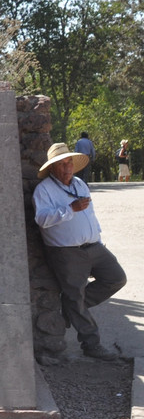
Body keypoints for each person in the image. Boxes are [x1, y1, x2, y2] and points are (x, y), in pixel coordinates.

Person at [33, 142, 127, 360]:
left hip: (94, 247)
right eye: (62, 164)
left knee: (116, 278)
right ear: (52, 167)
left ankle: (71, 306)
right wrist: (69, 209)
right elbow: (42, 219)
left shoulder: (79, 184)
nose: (67, 167)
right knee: (75, 296)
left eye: (69, 162)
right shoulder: (44, 190)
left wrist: (98, 238)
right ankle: (91, 344)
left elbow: (90, 216)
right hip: (66, 252)